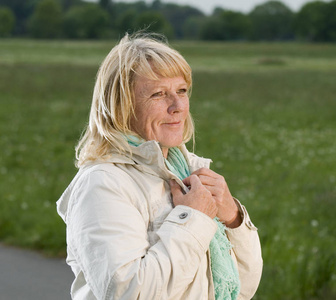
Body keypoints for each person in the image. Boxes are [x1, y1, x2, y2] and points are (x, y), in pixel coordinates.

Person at [56, 32, 263, 300]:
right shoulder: (103, 184)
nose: (177, 106)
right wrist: (194, 219)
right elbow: (129, 293)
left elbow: (243, 288)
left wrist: (233, 218)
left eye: (181, 91)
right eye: (158, 94)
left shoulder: (187, 173)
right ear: (121, 106)